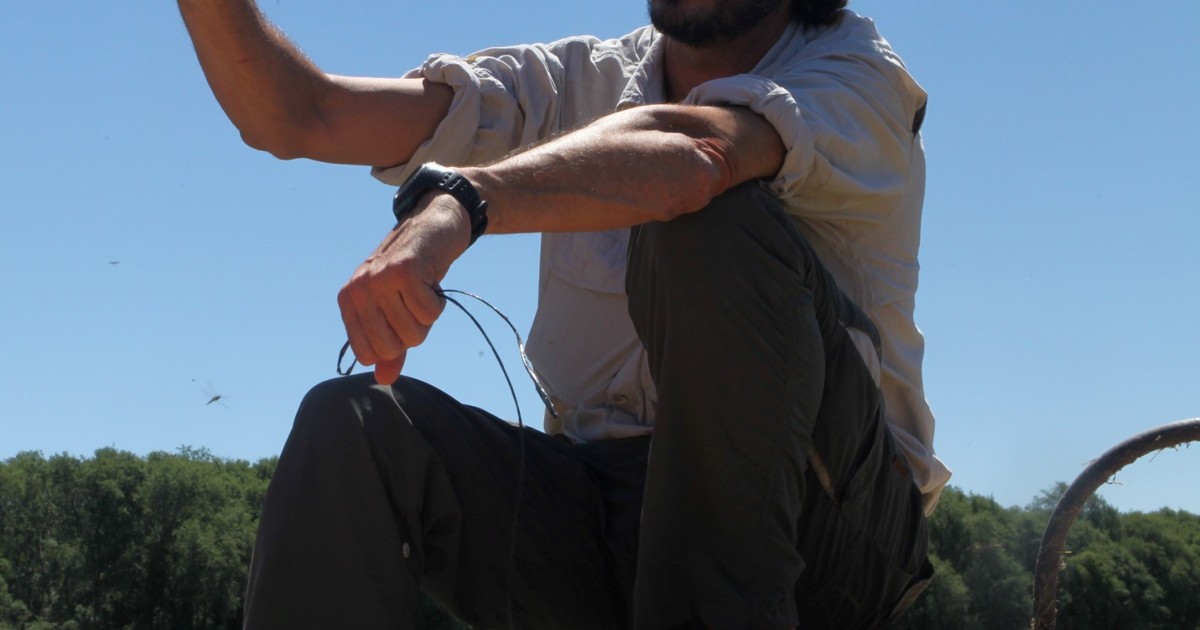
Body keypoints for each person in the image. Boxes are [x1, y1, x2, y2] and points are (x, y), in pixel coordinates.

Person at [177, 0, 951, 627]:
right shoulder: (581, 80)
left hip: (831, 528)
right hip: (607, 513)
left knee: (706, 216)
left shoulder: (856, 75)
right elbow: (298, 113)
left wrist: (462, 203)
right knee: (354, 427)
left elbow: (698, 156)